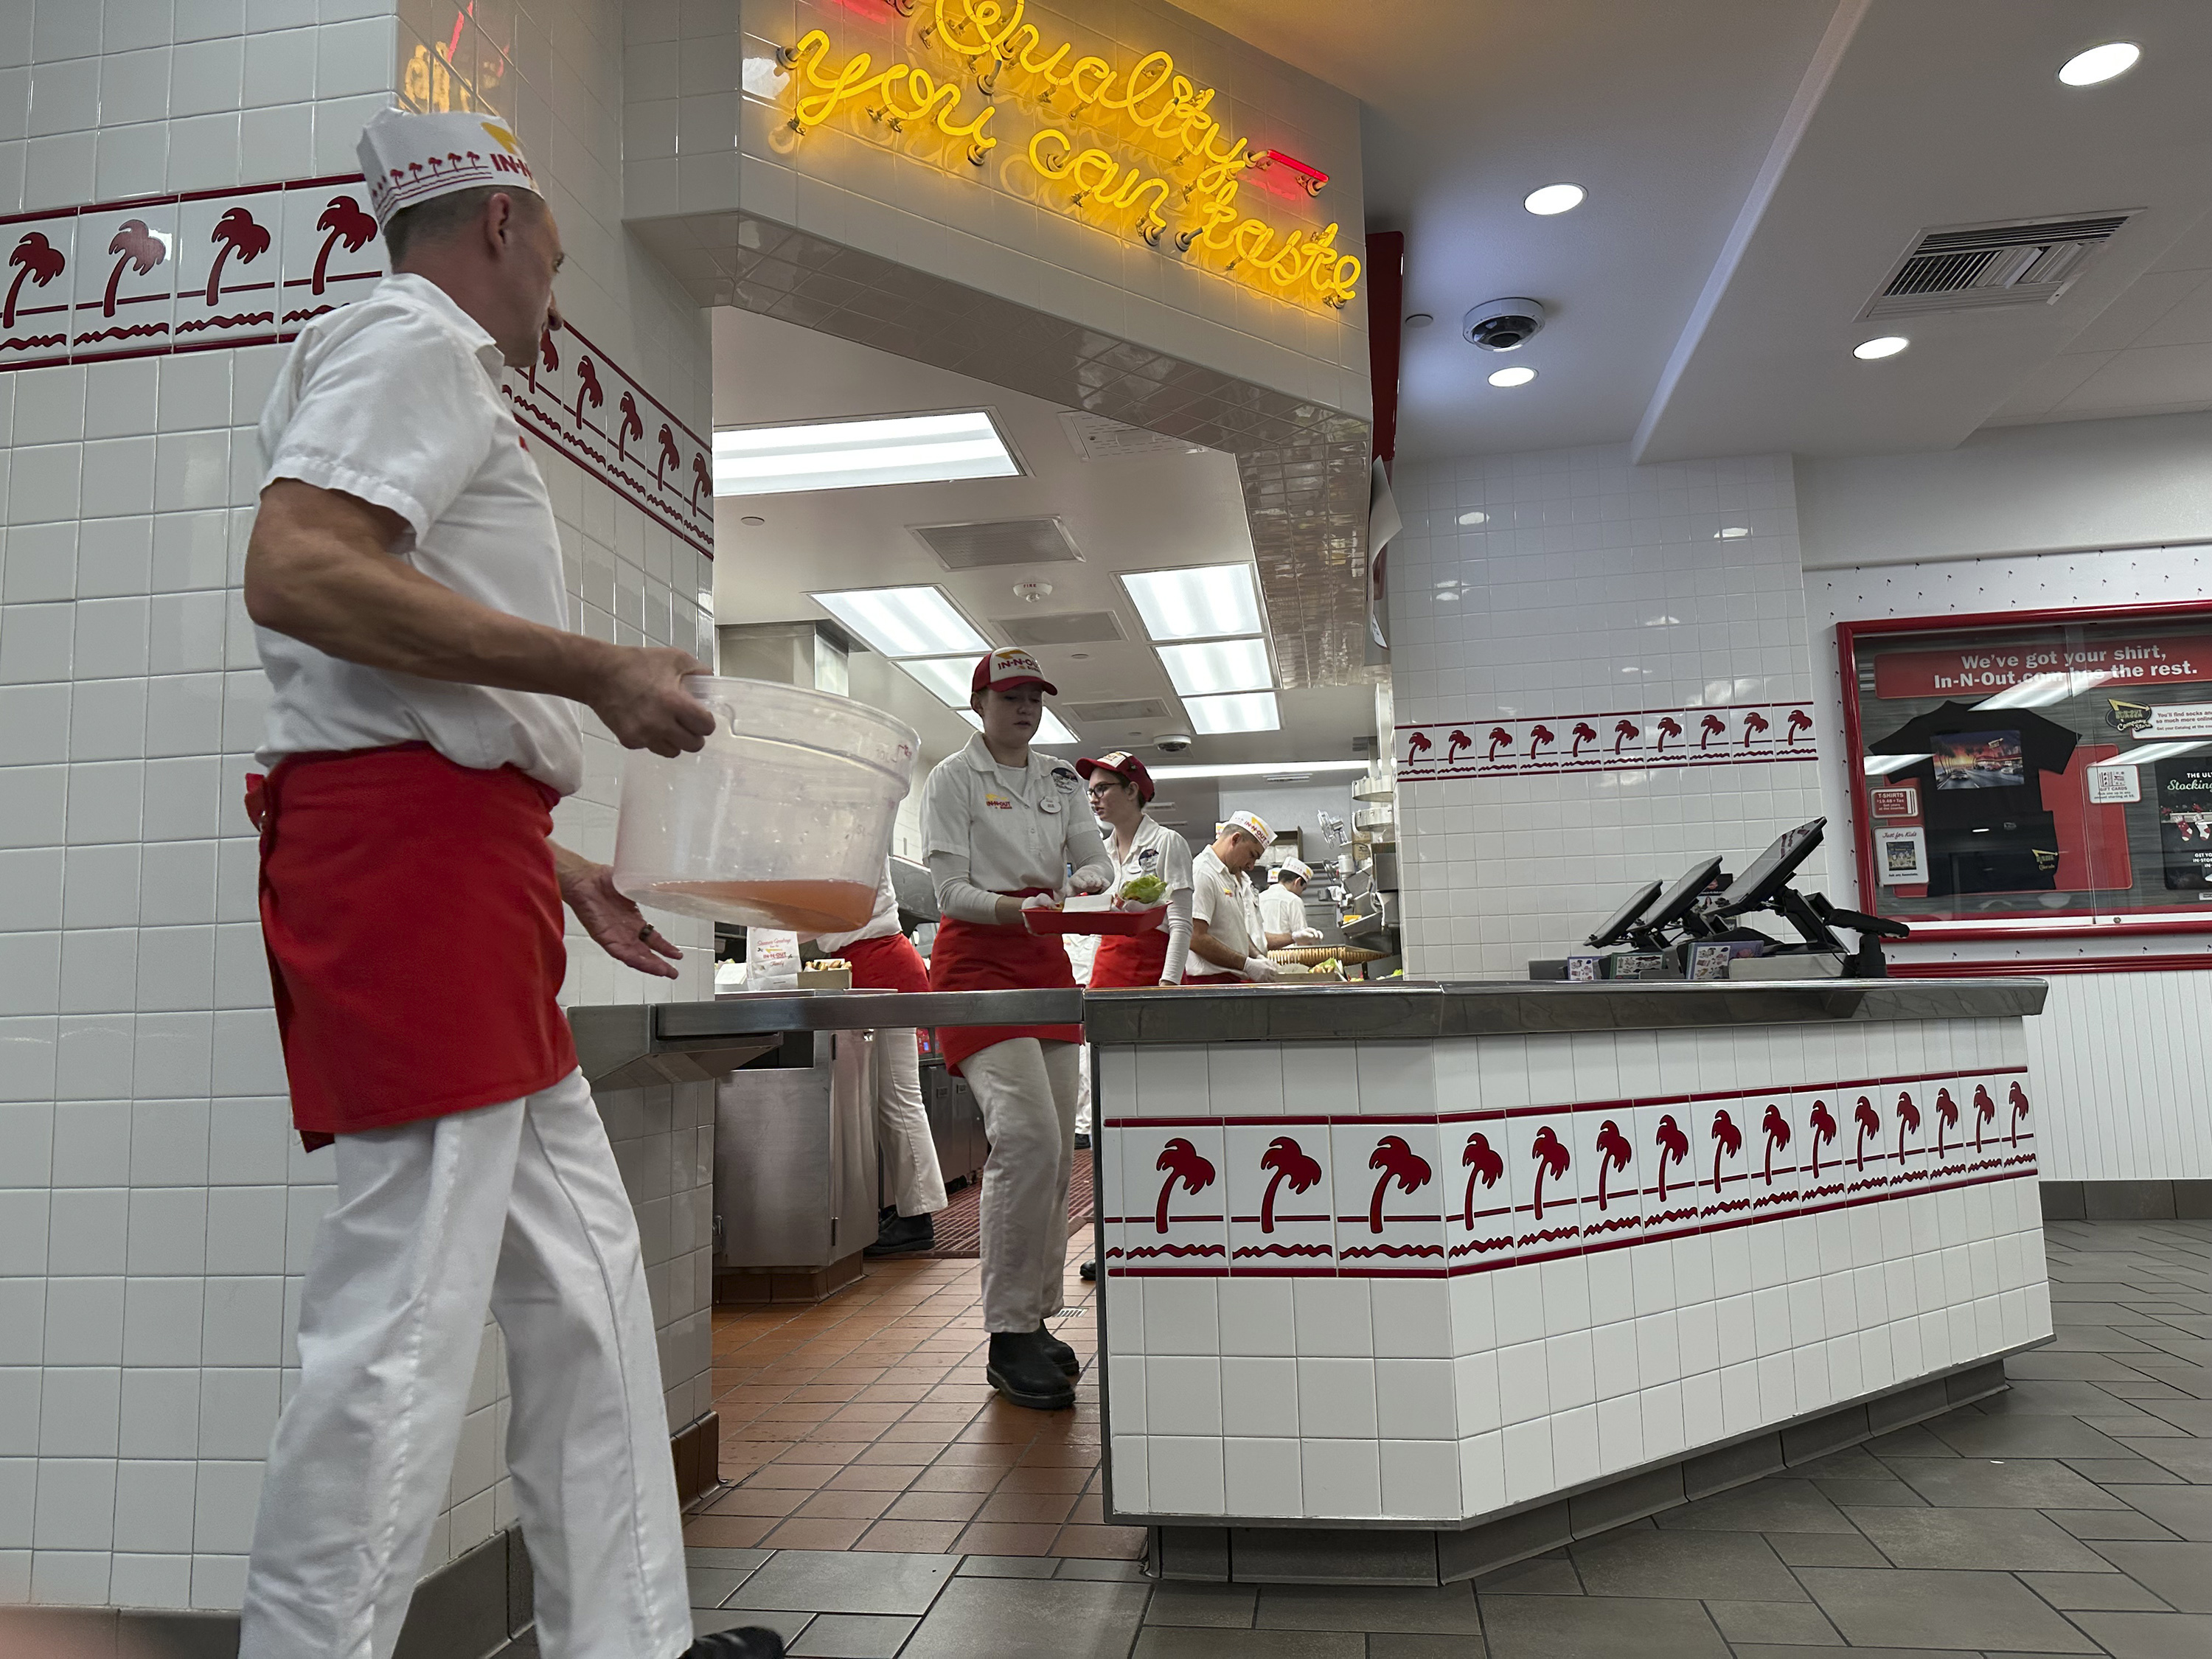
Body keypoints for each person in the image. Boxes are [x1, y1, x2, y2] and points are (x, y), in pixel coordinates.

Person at [235, 109, 780, 1659]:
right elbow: (300, 572)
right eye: (553, 246)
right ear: (499, 228)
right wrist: (603, 670)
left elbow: (418, 716)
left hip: (460, 873)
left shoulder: (438, 368)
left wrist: (556, 865)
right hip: (406, 883)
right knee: (401, 1330)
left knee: (587, 1291)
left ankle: (629, 1640)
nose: (557, 281)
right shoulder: (410, 337)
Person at [920, 647, 1113, 1409]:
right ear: (981, 704)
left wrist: (1091, 884)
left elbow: (1091, 859)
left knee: (1059, 1148)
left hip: (1045, 963)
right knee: (1026, 1137)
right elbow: (948, 891)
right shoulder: (951, 779)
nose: (1025, 709)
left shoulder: (1061, 778)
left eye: (1034, 697)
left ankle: (1035, 1316)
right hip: (975, 963)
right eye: (1010, 697)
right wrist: (1020, 909)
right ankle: (1006, 1333)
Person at [807, 859, 949, 1256]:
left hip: (880, 966)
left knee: (898, 1104)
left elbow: (828, 913)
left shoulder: (853, 840)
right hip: (874, 965)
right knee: (893, 1103)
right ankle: (908, 1209)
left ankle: (917, 1219)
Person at [1076, 750, 1194, 988]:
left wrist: (1169, 983)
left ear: (1131, 791)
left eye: (1102, 789)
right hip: (1107, 971)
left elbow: (1180, 925)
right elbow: (1101, 929)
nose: (1093, 799)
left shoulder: (1166, 842)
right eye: (1090, 791)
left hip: (1152, 971)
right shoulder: (1101, 851)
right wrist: (1087, 980)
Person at [1186, 812, 1281, 984]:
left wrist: (1258, 957)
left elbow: (1236, 930)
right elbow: (1195, 937)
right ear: (1235, 839)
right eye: (1252, 855)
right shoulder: (1203, 873)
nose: (1251, 866)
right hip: (1209, 983)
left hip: (1230, 980)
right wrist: (1246, 964)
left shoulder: (1228, 876)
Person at [1258, 857, 1325, 949]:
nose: (1301, 893)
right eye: (1303, 889)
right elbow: (1303, 942)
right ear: (1297, 882)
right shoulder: (1294, 900)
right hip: (1288, 958)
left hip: (1262, 956)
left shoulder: (1259, 897)